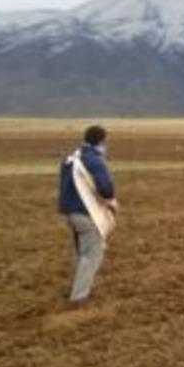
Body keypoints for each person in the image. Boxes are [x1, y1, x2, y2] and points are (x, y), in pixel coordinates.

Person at [58, 125, 119, 303]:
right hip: (85, 213)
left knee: (81, 253)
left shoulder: (70, 159)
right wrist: (111, 200)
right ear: (101, 141)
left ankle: (77, 288)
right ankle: (79, 296)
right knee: (93, 254)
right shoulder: (94, 160)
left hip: (69, 212)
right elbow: (105, 187)